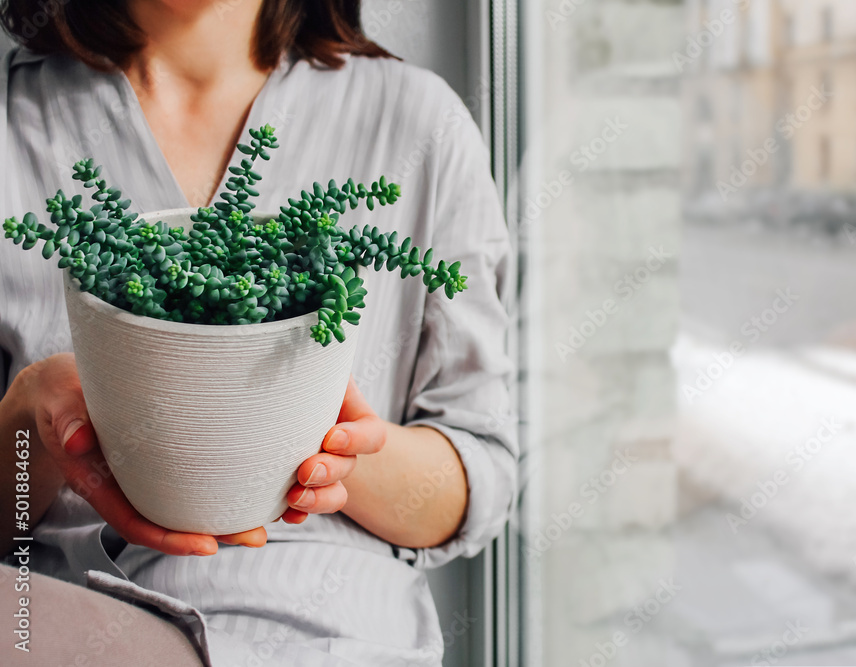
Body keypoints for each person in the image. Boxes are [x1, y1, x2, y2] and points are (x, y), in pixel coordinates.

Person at [0, 1, 516, 664]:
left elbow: (479, 472)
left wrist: (320, 441)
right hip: (62, 625)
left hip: (321, 628)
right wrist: (30, 423)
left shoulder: (419, 123)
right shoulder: (18, 127)